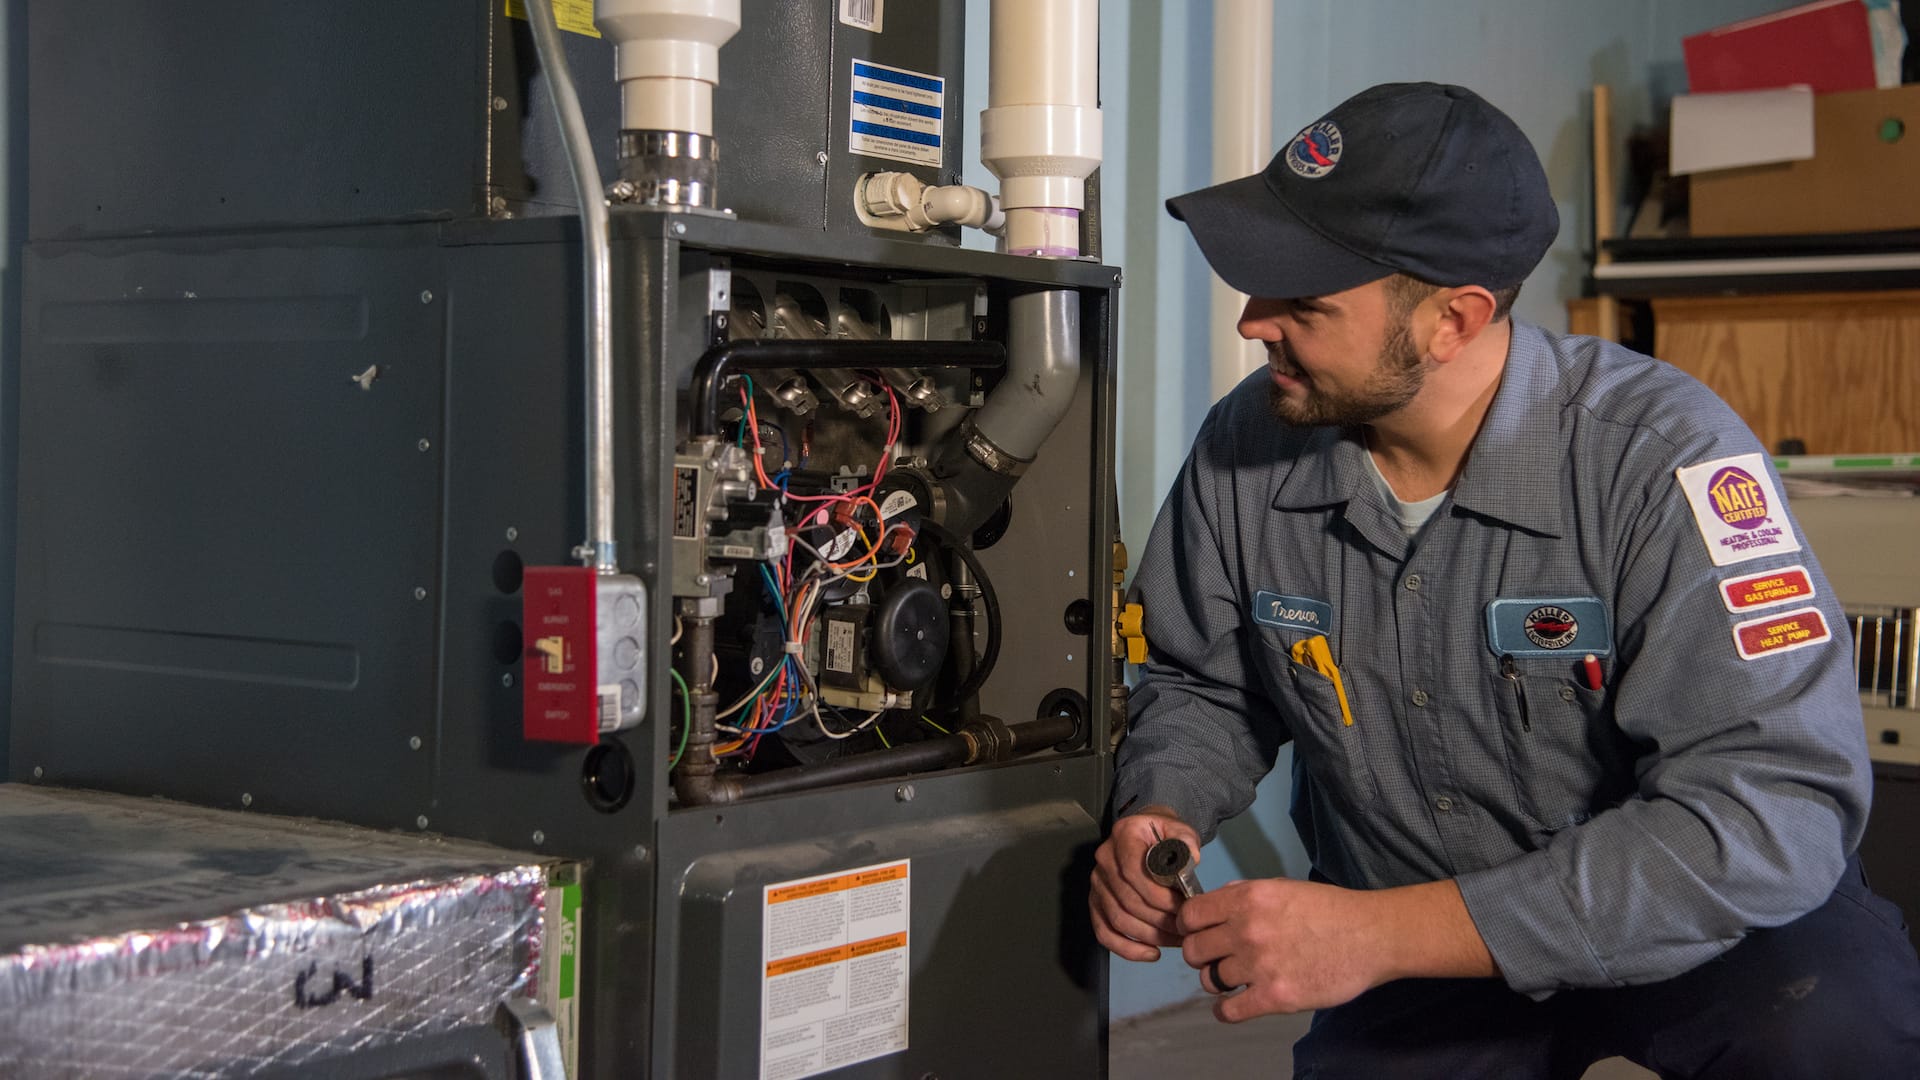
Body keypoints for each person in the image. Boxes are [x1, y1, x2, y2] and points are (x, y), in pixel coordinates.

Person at [1091, 82, 1920, 1079]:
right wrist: (1164, 804)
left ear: (1454, 319)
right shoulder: (1244, 446)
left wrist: (1380, 936)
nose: (1254, 323)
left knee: (1837, 1036)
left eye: (1304, 302)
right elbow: (1204, 684)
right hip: (1417, 934)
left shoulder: (1664, 461)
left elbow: (1769, 813)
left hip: (1705, 934)